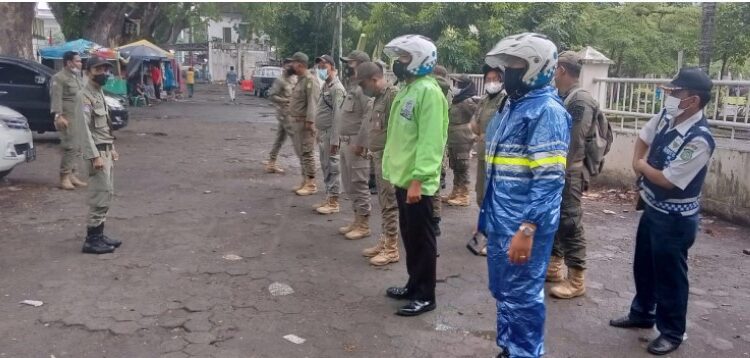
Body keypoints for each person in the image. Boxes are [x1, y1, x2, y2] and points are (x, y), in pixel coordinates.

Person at [610, 68, 715, 356]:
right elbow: (643, 137)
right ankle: (642, 312)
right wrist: (637, 161)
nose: (668, 96)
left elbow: (668, 179)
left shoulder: (699, 140)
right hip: (652, 208)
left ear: (692, 101)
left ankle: (672, 331)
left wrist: (641, 167)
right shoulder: (667, 118)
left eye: (675, 93)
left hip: (676, 219)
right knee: (643, 265)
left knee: (670, 276)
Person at [479, 33, 570, 358]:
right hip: (503, 219)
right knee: (505, 292)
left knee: (523, 296)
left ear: (537, 67)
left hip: (523, 224)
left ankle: (525, 353)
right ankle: (509, 348)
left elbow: (549, 181)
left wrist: (528, 229)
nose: (508, 72)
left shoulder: (546, 111)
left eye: (515, 65)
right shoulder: (513, 106)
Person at [382, 35, 447, 316]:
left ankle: (426, 295)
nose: (399, 63)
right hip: (403, 179)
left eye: (405, 58)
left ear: (421, 60)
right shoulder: (408, 89)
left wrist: (419, 180)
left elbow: (430, 142)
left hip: (417, 184)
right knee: (410, 238)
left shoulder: (428, 92)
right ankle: (413, 284)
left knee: (423, 240)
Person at [546, 50, 598, 299]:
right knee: (557, 219)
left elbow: (574, 143)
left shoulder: (579, 101)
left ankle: (576, 278)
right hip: (560, 170)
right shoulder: (564, 97)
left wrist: (557, 171)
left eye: (554, 68)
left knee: (570, 220)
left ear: (561, 70)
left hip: (570, 171)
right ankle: (554, 266)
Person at [72, 56, 123, 255]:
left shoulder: (98, 92)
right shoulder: (84, 96)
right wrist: (94, 156)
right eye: (98, 69)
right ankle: (91, 240)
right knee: (99, 194)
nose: (103, 73)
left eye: (105, 69)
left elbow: (105, 125)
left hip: (105, 149)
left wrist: (112, 147)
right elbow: (84, 130)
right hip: (96, 153)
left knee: (107, 192)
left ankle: (99, 234)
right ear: (88, 72)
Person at [357, 61, 401, 266]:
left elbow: (398, 130)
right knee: (384, 202)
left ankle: (391, 247)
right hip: (379, 156)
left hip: (389, 159)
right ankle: (384, 241)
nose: (361, 89)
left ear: (374, 80)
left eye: (363, 84)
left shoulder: (392, 95)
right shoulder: (378, 97)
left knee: (389, 202)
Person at [336, 50, 374, 240]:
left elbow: (369, 116)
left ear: (361, 65)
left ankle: (364, 223)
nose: (348, 67)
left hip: (355, 143)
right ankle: (356, 218)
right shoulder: (353, 86)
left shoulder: (365, 89)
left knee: (359, 183)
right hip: (345, 141)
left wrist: (361, 143)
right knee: (349, 183)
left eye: (351, 64)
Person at [468, 64, 505, 256]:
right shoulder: (484, 101)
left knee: (494, 196)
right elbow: (474, 123)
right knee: (481, 193)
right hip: (483, 154)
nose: (491, 83)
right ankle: (483, 228)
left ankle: (492, 237)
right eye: (488, 79)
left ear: (501, 80)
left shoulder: (505, 100)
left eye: (495, 79)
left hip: (497, 157)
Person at [312, 55, 345, 214]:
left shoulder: (337, 88)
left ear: (332, 67)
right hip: (323, 133)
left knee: (333, 167)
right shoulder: (326, 86)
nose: (321, 70)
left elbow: (338, 116)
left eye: (324, 66)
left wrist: (335, 141)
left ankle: (333, 202)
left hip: (331, 135)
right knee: (325, 166)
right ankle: (328, 196)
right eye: (319, 67)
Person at [50, 51, 87, 190]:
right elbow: (56, 98)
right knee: (69, 147)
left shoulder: (76, 76)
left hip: (78, 116)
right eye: (77, 61)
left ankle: (72, 175)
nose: (80, 63)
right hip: (67, 117)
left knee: (77, 147)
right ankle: (64, 177)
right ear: (69, 62)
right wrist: (58, 116)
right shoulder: (59, 78)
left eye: (80, 61)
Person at [286, 52, 319, 196]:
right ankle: (305, 179)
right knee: (301, 153)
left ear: (300, 65)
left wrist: (311, 122)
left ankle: (311, 183)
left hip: (305, 124)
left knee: (307, 153)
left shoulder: (310, 80)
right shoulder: (300, 79)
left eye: (293, 63)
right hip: (297, 123)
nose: (291, 65)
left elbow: (313, 103)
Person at [445, 74, 478, 207]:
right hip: (454, 140)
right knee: (456, 167)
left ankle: (464, 195)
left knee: (463, 167)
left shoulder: (467, 101)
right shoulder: (457, 100)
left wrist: (475, 134)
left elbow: (478, 117)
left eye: (459, 84)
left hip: (463, 140)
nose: (455, 87)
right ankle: (456, 192)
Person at [264, 59, 297, 174]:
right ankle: (306, 165)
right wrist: (286, 100)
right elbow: (272, 96)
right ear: (284, 66)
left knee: (280, 138)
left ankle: (271, 163)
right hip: (284, 113)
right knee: (296, 137)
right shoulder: (280, 80)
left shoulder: (294, 78)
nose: (290, 67)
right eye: (288, 65)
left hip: (292, 112)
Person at [430, 65, 451, 238]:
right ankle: (435, 220)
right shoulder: (446, 91)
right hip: (440, 139)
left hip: (433, 140)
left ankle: (434, 220)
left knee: (432, 184)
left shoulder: (432, 89)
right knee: (435, 183)